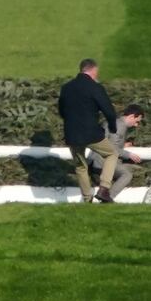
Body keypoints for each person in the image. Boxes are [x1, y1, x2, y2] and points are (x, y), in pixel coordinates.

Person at [57, 58, 119, 203]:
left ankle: (87, 199)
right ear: (93, 70)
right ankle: (104, 188)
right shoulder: (95, 87)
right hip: (91, 133)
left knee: (80, 166)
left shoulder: (66, 87)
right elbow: (109, 111)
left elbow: (61, 111)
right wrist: (112, 127)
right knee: (112, 153)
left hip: (72, 134)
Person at [88, 104, 145, 199]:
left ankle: (105, 196)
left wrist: (123, 145)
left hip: (97, 158)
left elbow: (109, 141)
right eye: (137, 121)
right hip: (101, 161)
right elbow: (111, 147)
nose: (136, 125)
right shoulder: (120, 126)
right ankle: (108, 196)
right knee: (127, 174)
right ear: (131, 116)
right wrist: (129, 154)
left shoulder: (116, 123)